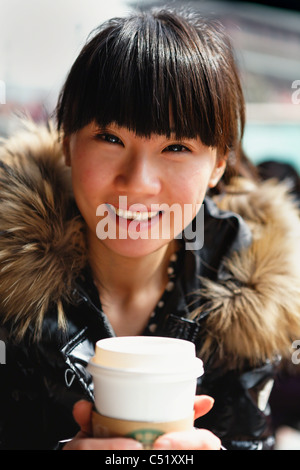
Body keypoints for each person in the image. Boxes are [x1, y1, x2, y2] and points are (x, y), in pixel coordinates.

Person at [0, 7, 300, 451]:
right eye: (110, 138)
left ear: (218, 163)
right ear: (66, 141)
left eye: (176, 147)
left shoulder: (246, 295)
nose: (138, 182)